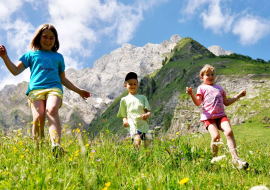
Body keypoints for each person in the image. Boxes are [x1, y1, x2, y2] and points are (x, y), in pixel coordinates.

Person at [0, 23, 91, 157]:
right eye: (45, 37)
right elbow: (15, 71)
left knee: (52, 109)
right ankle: (38, 150)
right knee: (38, 117)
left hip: (54, 88)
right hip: (35, 90)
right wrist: (4, 57)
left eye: (51, 38)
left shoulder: (58, 57)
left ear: (55, 40)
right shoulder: (31, 55)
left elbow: (63, 79)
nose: (48, 40)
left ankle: (56, 146)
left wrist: (79, 91)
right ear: (38, 38)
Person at [186, 64, 248, 169]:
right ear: (202, 77)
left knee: (229, 132)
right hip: (208, 117)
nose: (211, 76)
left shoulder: (220, 88)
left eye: (212, 74)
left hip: (221, 116)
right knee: (216, 137)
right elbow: (197, 103)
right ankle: (213, 161)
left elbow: (227, 102)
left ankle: (236, 160)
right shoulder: (201, 88)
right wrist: (191, 94)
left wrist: (238, 96)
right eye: (207, 75)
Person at [117, 72, 151, 147]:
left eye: (135, 84)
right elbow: (123, 114)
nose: (133, 86)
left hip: (144, 124)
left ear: (137, 84)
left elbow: (149, 112)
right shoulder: (124, 99)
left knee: (147, 144)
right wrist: (125, 121)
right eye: (130, 84)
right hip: (133, 123)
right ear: (125, 85)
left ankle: (148, 157)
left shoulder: (143, 97)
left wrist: (146, 115)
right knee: (137, 138)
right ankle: (137, 155)